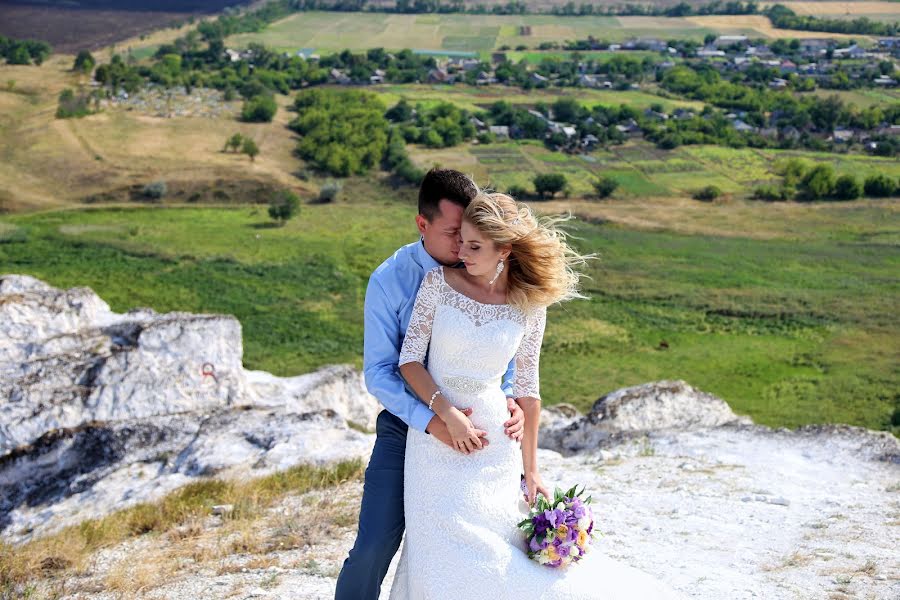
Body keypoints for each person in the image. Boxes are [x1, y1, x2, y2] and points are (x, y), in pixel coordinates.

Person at [388, 191, 687, 599]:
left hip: (496, 444)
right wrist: (446, 414)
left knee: (493, 552)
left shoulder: (529, 305)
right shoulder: (437, 284)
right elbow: (409, 362)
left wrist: (532, 471)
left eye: (474, 246)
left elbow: (528, 389)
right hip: (436, 445)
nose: (461, 252)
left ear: (504, 250)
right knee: (440, 548)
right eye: (462, 241)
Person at [334, 169, 526, 599]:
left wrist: (509, 397)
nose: (464, 248)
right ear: (422, 225)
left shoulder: (484, 268)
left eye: (473, 235)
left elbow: (502, 343)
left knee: (484, 544)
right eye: (455, 234)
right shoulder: (390, 279)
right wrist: (432, 421)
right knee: (373, 547)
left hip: (479, 435)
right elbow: (380, 372)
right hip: (407, 428)